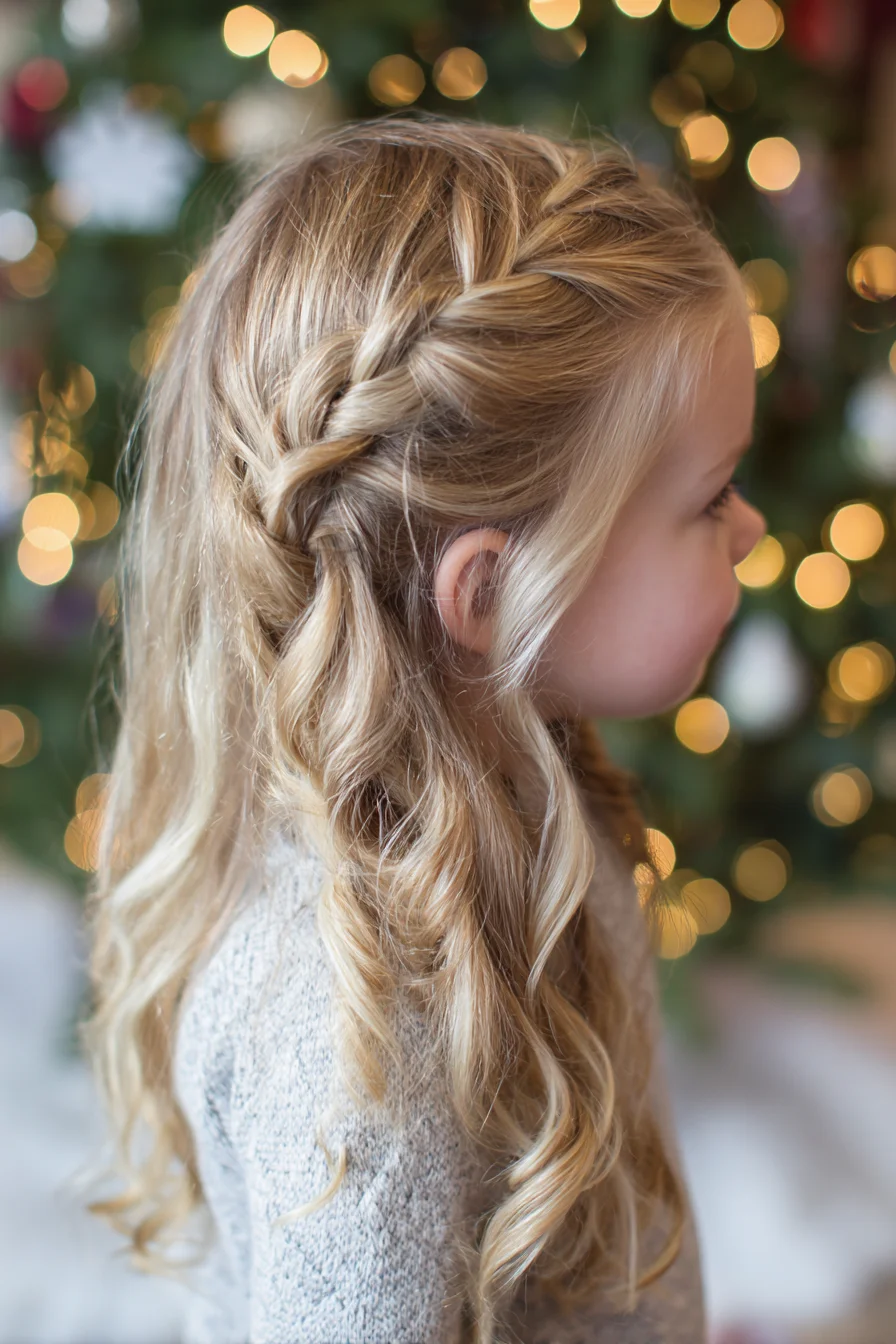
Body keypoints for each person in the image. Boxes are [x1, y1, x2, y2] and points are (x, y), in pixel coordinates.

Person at [77, 111, 766, 1344]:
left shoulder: (514, 765)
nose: (752, 530)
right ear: (488, 595)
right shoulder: (364, 1048)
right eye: (709, 497)